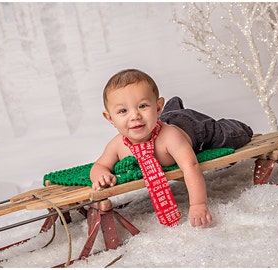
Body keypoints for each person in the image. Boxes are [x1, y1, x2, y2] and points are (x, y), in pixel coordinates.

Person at [90, 69, 253, 228]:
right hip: (162, 119)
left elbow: (191, 166)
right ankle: (173, 105)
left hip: (192, 127)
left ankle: (237, 127)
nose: (135, 116)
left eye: (143, 106)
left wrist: (198, 203)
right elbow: (99, 166)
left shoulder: (170, 138)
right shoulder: (117, 144)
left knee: (228, 136)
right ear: (110, 117)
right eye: (123, 111)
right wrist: (101, 174)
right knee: (170, 114)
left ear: (157, 107)